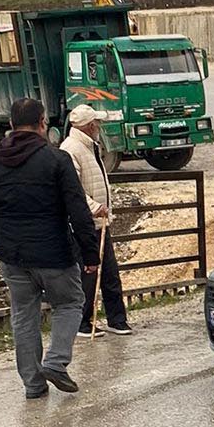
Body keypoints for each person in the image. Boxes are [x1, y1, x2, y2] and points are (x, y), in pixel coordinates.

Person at [0, 97, 99, 399]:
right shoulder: (56, 159)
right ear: (42, 123)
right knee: (69, 303)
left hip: (13, 256)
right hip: (53, 253)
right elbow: (78, 210)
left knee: (24, 316)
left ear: (11, 125)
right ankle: (55, 362)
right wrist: (91, 253)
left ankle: (33, 384)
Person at [59, 104, 132, 337]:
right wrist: (94, 207)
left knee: (109, 272)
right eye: (97, 124)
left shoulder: (88, 146)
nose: (99, 127)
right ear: (90, 126)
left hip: (100, 220)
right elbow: (73, 188)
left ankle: (116, 319)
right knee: (89, 273)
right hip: (87, 221)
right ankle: (83, 321)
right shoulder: (71, 149)